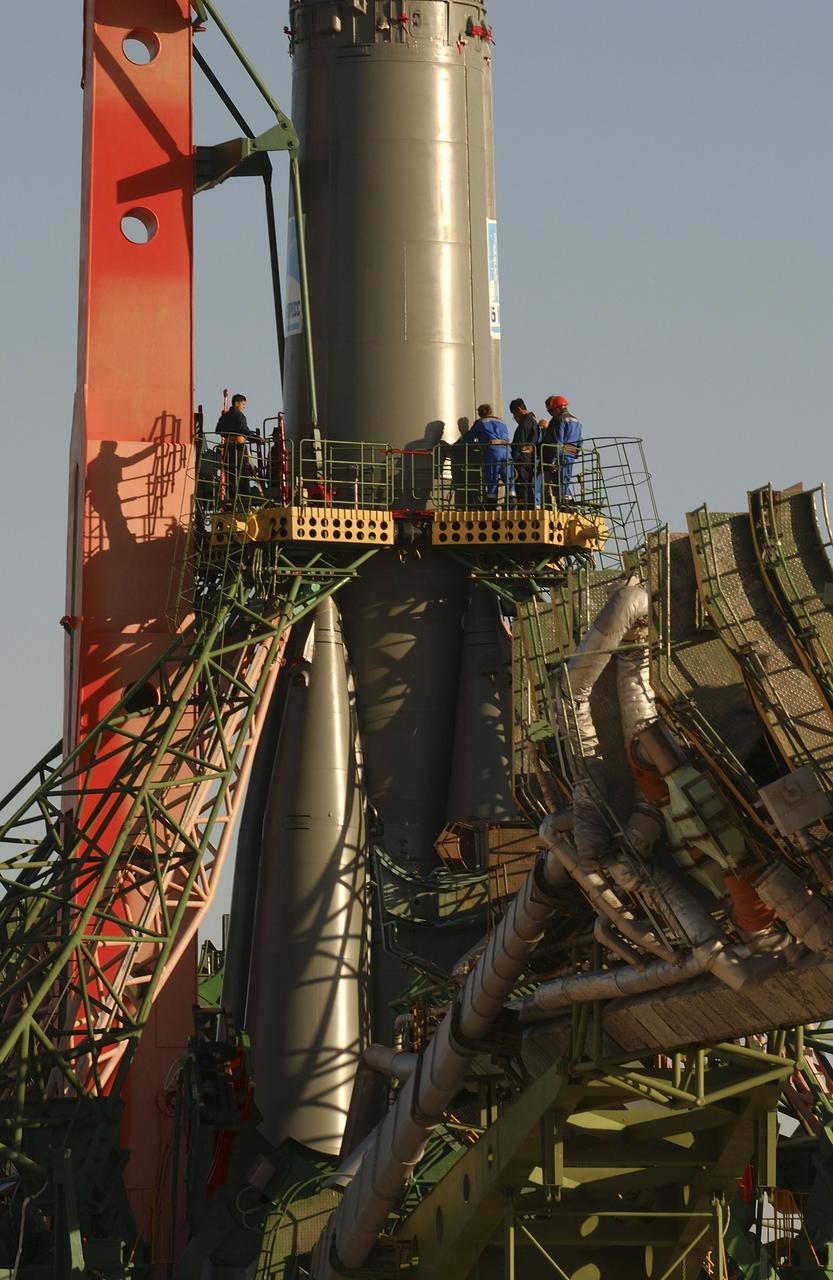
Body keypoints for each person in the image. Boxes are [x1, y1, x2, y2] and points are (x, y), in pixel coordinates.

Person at [458, 403, 513, 506]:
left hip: (493, 452)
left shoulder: (480, 422)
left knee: (492, 479)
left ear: (480, 413)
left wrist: (464, 440)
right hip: (507, 451)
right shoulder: (502, 422)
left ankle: (491, 506)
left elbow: (468, 439)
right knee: (509, 479)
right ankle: (513, 505)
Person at [216, 394, 260, 505]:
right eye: (243, 404)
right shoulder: (240, 416)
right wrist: (257, 439)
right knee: (243, 472)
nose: (244, 407)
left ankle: (233, 498)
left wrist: (230, 433)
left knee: (231, 474)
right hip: (239, 448)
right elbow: (244, 430)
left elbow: (218, 430)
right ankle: (245, 499)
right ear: (237, 403)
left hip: (227, 449)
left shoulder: (224, 417)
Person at [542, 395, 583, 502]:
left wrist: (552, 461)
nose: (552, 414)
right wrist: (576, 452)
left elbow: (558, 442)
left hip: (562, 455)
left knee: (559, 482)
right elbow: (580, 440)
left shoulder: (559, 420)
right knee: (566, 480)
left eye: (552, 411)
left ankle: (566, 504)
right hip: (571, 455)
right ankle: (569, 502)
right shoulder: (577, 421)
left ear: (557, 408)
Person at [508, 397, 541, 506]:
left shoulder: (525, 423)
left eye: (514, 413)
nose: (515, 417)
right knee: (528, 485)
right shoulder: (533, 420)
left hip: (522, 461)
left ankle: (523, 508)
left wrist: (513, 459)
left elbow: (519, 443)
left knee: (521, 486)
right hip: (530, 459)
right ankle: (529, 507)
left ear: (518, 410)